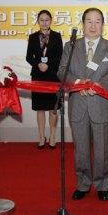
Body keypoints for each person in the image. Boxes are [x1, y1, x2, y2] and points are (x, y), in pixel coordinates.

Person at [57, 7, 108, 201]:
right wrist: (78, 83)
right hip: (78, 104)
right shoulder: (70, 46)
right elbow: (62, 71)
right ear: (83, 24)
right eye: (89, 21)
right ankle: (83, 183)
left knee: (103, 150)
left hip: (101, 103)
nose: (93, 26)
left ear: (102, 24)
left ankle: (103, 184)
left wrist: (99, 86)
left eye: (97, 21)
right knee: (81, 149)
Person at [26, 10, 63, 149]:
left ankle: (53, 135)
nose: (44, 22)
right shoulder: (33, 36)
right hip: (37, 75)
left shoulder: (57, 36)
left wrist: (48, 65)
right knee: (40, 108)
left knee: (53, 109)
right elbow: (29, 57)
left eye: (47, 20)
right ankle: (41, 137)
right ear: (38, 21)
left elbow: (60, 56)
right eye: (41, 20)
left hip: (53, 75)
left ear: (51, 21)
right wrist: (38, 64)